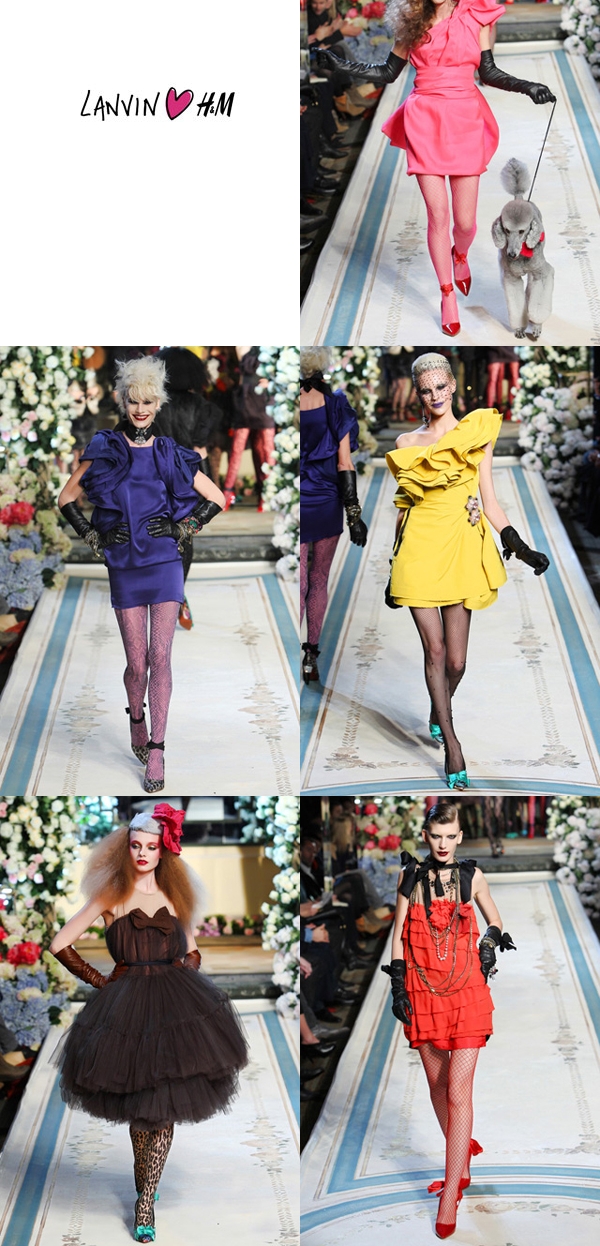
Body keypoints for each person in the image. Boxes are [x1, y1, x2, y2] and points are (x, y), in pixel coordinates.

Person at [319, 0, 555, 337]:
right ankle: (447, 294)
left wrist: (529, 87)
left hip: (464, 118)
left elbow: (489, 72)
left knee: (465, 224)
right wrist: (342, 64)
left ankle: (460, 256)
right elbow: (387, 72)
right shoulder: (411, 23)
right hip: (425, 119)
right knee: (438, 216)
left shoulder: (474, 10)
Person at [50, 804, 248, 1244]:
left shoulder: (175, 896)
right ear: (126, 848)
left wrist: (183, 980)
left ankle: (145, 1201)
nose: (142, 853)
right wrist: (101, 981)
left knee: (164, 1107)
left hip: (173, 1008)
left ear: (164, 852)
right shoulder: (111, 895)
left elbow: (192, 951)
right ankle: (145, 1180)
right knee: (140, 1107)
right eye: (136, 845)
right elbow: (60, 942)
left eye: (151, 847)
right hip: (126, 1010)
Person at [58, 355, 225, 793]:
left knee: (160, 658)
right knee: (137, 663)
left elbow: (218, 497)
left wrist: (182, 529)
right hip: (125, 564)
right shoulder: (106, 447)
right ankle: (136, 719)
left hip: (165, 562)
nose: (140, 409)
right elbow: (66, 498)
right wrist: (93, 536)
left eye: (148, 401)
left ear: (158, 403)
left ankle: (157, 749)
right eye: (133, 400)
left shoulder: (169, 450)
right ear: (123, 400)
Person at [385, 352, 549, 789]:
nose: (435, 395)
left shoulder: (476, 434)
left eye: (441, 386)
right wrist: (394, 565)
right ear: (418, 394)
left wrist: (519, 545)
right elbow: (404, 508)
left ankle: (437, 710)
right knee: (435, 653)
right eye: (426, 390)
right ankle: (452, 744)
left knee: (456, 663)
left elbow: (489, 500)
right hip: (419, 551)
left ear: (453, 385)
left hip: (460, 546)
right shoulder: (406, 443)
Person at [382, 800, 516, 1238]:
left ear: (460, 837)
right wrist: (398, 986)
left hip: (467, 991)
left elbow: (495, 919)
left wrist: (489, 943)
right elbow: (399, 935)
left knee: (458, 1090)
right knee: (438, 1086)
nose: (443, 844)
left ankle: (450, 1191)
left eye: (450, 836)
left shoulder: (472, 877)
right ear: (426, 836)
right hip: (423, 990)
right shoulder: (410, 877)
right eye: (436, 836)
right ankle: (462, 1159)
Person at [300, 347, 368, 685]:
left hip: (298, 499)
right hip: (327, 498)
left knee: (300, 579)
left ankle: (291, 650)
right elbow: (345, 462)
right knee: (318, 579)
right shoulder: (336, 403)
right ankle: (310, 655)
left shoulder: (285, 402)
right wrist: (353, 515)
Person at [154, 348, 222, 630]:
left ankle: (165, 596)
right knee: (184, 539)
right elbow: (199, 450)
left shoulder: (154, 404)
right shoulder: (202, 407)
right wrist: (207, 489)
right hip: (188, 482)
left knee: (154, 537)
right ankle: (177, 594)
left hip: (154, 479)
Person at [222, 346, 276, 512]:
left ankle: (268, 493)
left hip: (264, 399)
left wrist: (272, 382)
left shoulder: (273, 346)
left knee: (265, 449)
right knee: (236, 449)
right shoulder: (244, 346)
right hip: (246, 399)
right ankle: (227, 493)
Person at [485, 345, 520, 418]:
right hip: (496, 352)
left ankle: (515, 406)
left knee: (513, 379)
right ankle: (491, 407)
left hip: (511, 351)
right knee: (494, 380)